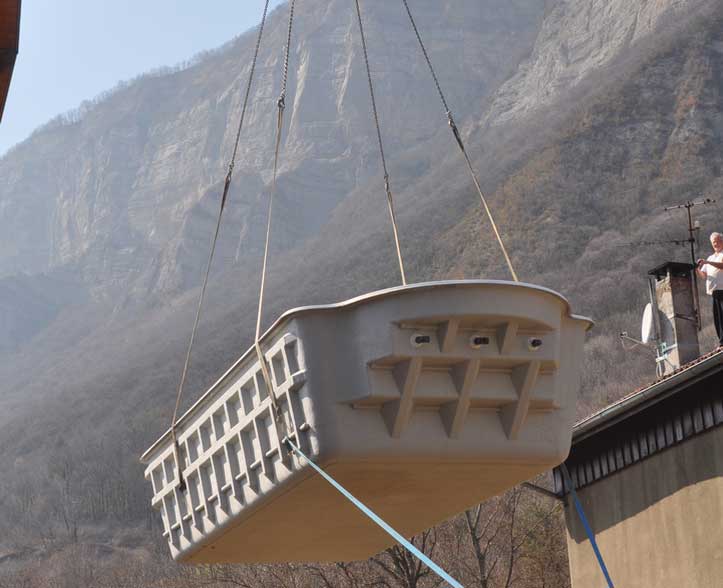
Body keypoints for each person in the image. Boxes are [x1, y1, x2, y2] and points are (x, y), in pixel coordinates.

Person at [697, 231, 723, 348]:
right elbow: (704, 276)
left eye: (718, 241)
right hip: (714, 291)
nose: (716, 244)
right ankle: (722, 341)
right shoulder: (710, 257)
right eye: (714, 242)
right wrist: (697, 268)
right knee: (718, 317)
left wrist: (707, 262)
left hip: (722, 289)